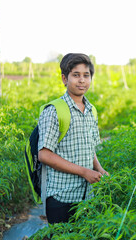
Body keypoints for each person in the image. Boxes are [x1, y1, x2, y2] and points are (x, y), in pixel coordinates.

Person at [38, 53, 109, 224]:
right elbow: (44, 155)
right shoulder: (54, 111)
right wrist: (84, 172)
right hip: (62, 196)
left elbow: (89, 148)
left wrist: (99, 169)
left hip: (85, 196)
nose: (82, 80)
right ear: (64, 78)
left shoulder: (91, 110)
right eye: (76, 75)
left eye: (86, 75)